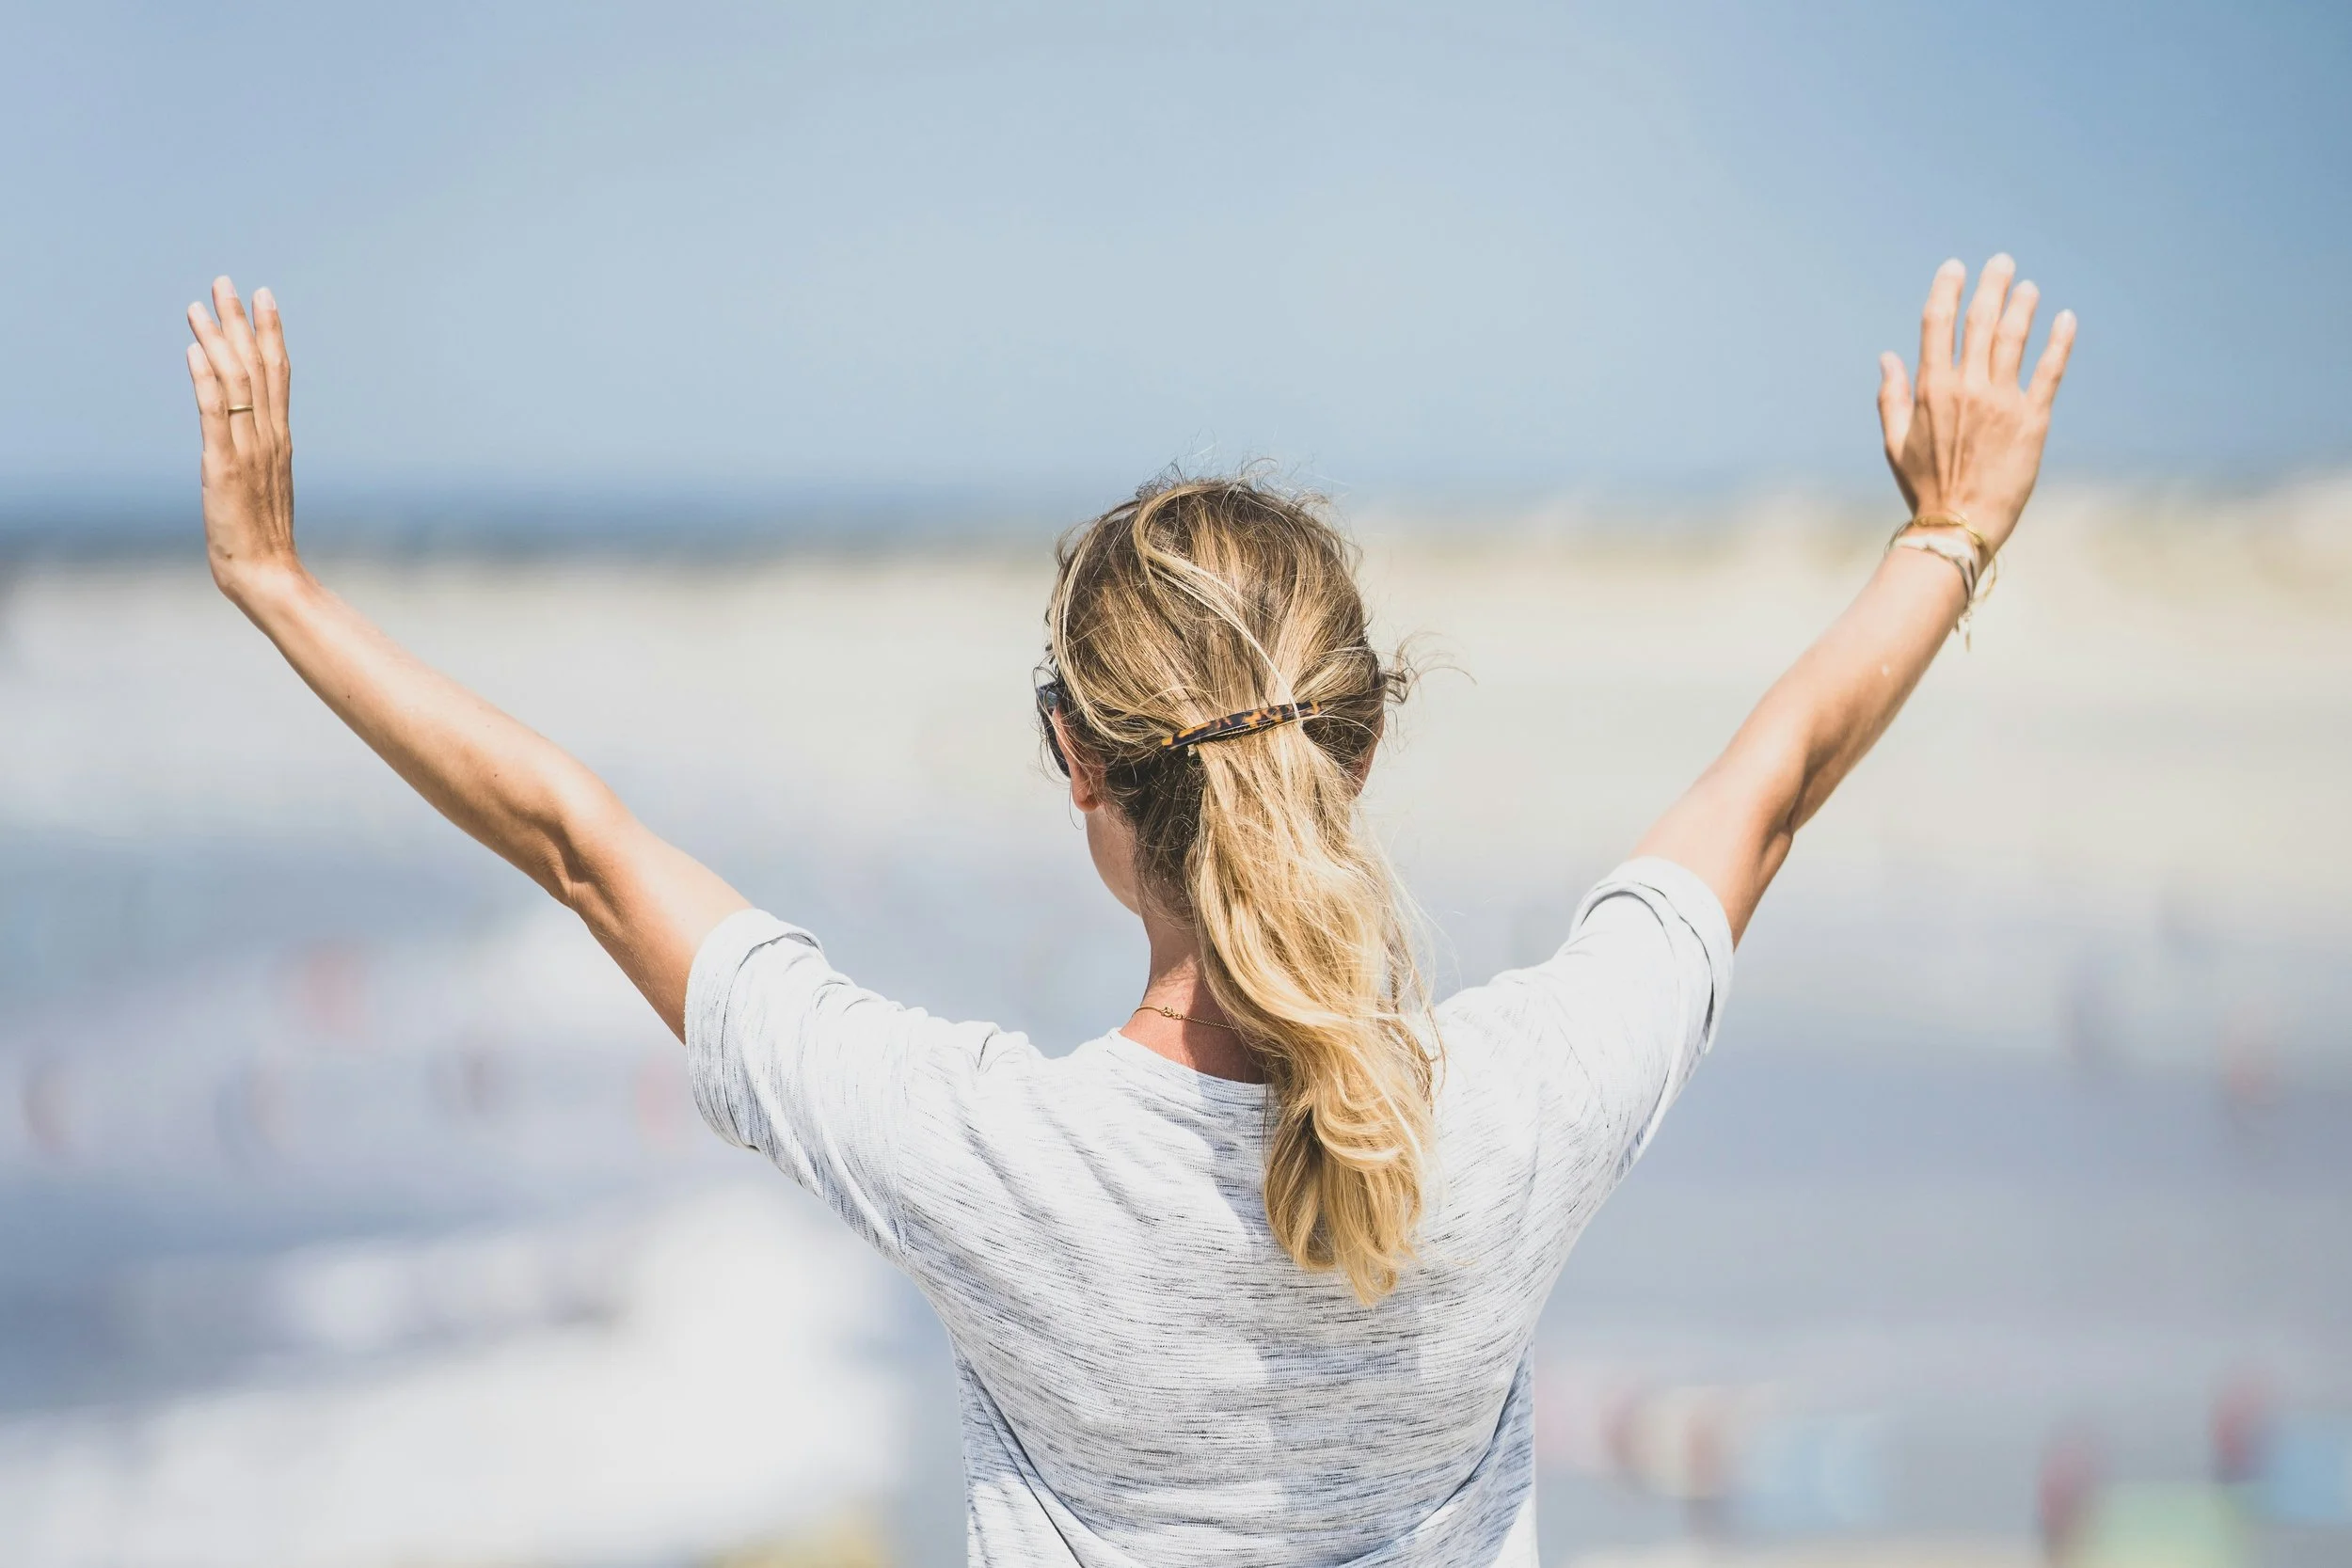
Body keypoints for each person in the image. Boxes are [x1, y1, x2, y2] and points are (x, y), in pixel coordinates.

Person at [182, 258, 2073, 1565]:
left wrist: (278, 585)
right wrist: (1950, 527)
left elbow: (581, 842)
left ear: (1069, 756)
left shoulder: (986, 1151)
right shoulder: (1509, 1107)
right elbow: (1773, 782)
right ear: (1365, 731)